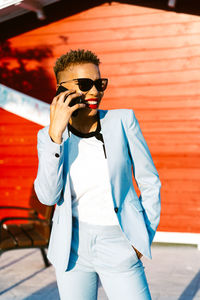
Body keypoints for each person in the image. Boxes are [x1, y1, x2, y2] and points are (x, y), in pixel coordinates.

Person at [34, 49, 161, 300]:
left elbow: (149, 180)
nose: (95, 91)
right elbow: (48, 197)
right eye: (84, 84)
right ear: (61, 89)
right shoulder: (47, 137)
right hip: (71, 248)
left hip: (119, 241)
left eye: (99, 83)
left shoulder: (123, 121)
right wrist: (55, 135)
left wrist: (143, 234)